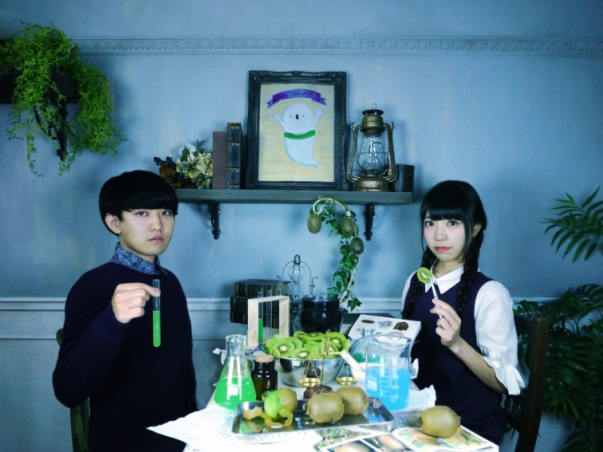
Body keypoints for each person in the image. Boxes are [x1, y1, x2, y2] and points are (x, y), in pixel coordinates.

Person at [53, 170, 197, 451]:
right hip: (121, 445)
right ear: (114, 222)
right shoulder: (93, 286)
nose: (157, 225)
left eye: (166, 213)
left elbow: (183, 375)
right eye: (142, 213)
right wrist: (112, 320)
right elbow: (68, 390)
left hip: (182, 441)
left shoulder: (170, 283)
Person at [401, 180, 524, 444]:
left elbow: (503, 384)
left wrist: (456, 344)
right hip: (416, 420)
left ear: (476, 227)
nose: (439, 235)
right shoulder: (414, 282)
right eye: (430, 223)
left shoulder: (490, 294)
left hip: (467, 427)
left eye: (452, 223)